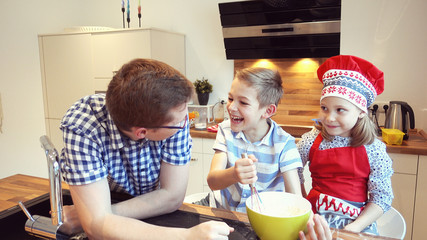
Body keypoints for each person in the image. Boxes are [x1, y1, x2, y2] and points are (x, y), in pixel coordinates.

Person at [58, 58, 233, 239]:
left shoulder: (175, 114)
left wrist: (98, 216)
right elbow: (97, 230)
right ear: (142, 132)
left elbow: (172, 195)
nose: (184, 123)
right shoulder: (83, 125)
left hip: (152, 215)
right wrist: (187, 237)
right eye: (179, 123)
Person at [297, 55, 394, 234]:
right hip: (314, 222)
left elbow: (382, 197)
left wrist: (353, 228)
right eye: (324, 108)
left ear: (361, 112)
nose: (329, 118)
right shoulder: (310, 140)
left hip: (356, 225)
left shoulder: (374, 149)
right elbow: (291, 169)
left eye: (340, 110)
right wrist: (302, 205)